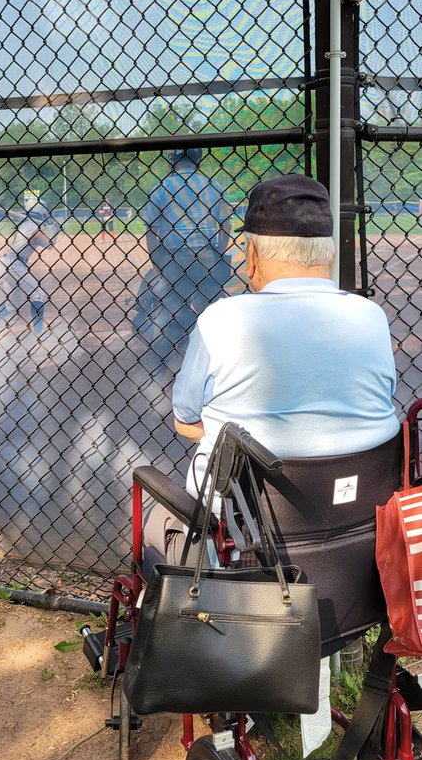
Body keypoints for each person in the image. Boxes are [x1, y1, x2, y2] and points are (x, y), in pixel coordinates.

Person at [144, 172, 399, 563]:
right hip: (356, 547)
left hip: (241, 551)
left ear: (252, 255)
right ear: (329, 253)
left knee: (155, 519)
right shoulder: (371, 318)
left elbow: (185, 421)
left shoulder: (221, 320)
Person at [132, 147, 232, 359]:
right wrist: (218, 254)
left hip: (175, 257)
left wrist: (158, 262)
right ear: (197, 159)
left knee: (173, 306)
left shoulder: (162, 187)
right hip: (206, 255)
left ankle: (183, 344)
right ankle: (210, 350)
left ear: (174, 160)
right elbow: (226, 226)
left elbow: (151, 231)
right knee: (211, 308)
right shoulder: (212, 185)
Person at [0, 217, 57, 335]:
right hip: (13, 263)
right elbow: (38, 235)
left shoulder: (35, 226)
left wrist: (55, 230)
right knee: (39, 294)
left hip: (13, 264)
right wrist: (51, 226)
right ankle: (39, 333)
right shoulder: (29, 225)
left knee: (12, 306)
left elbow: (49, 245)